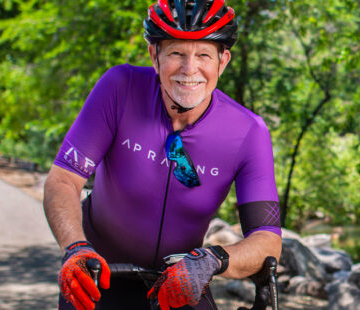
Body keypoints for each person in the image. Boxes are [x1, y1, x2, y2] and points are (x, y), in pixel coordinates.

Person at [43, 1, 282, 309]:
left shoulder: (248, 131)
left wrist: (213, 260)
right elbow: (63, 180)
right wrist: (75, 248)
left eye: (204, 55)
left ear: (222, 62)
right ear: (154, 56)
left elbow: (268, 240)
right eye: (176, 53)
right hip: (98, 276)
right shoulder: (120, 88)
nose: (189, 69)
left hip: (182, 282)